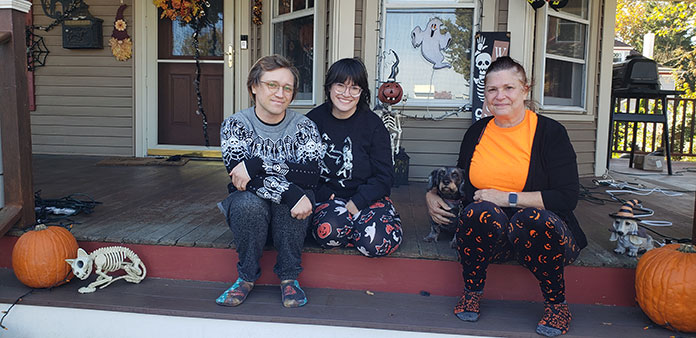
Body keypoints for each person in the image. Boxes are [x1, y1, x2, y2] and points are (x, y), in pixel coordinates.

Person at [425, 56, 587, 337]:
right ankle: (472, 292)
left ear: (525, 89)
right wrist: (431, 194)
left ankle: (557, 305)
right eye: (492, 90)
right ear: (485, 94)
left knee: (532, 218)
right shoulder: (477, 131)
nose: (500, 96)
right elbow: (461, 182)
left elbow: (566, 198)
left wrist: (509, 199)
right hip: (493, 239)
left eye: (509, 88)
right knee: (477, 212)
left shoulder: (550, 133)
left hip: (545, 239)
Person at [216, 55, 322, 308]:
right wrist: (290, 190)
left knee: (295, 197)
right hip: (250, 204)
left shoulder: (304, 126)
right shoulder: (235, 125)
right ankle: (246, 277)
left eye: (287, 88)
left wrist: (259, 165)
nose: (280, 93)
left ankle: (289, 278)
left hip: (293, 212)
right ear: (254, 86)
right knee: (248, 203)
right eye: (271, 85)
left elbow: (311, 174)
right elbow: (240, 177)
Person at [306, 58, 402, 257]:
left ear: (362, 92)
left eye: (354, 88)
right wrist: (323, 194)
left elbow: (385, 176)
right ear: (330, 87)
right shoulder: (313, 121)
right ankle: (354, 229)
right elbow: (303, 169)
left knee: (376, 243)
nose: (346, 94)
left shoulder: (373, 125)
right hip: (328, 198)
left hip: (367, 198)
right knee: (329, 232)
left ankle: (368, 225)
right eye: (340, 85)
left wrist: (358, 201)